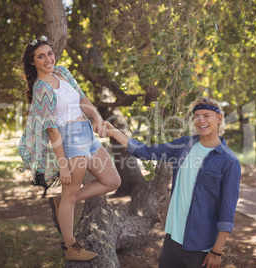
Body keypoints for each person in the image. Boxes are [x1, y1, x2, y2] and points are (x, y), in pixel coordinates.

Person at [104, 97, 241, 268]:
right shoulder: (185, 145)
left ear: (219, 118)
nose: (201, 121)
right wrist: (114, 133)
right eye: (197, 116)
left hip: (201, 246)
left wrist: (217, 251)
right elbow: (147, 152)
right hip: (172, 240)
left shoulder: (229, 162)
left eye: (206, 115)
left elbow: (227, 212)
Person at [18, 36, 121, 262]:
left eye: (49, 53)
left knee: (112, 181)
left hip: (87, 133)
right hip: (69, 139)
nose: (48, 59)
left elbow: (82, 98)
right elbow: (52, 130)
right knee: (71, 193)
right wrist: (62, 164)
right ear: (32, 62)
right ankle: (70, 247)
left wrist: (96, 118)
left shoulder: (63, 72)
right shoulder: (41, 89)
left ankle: (62, 202)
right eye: (41, 56)